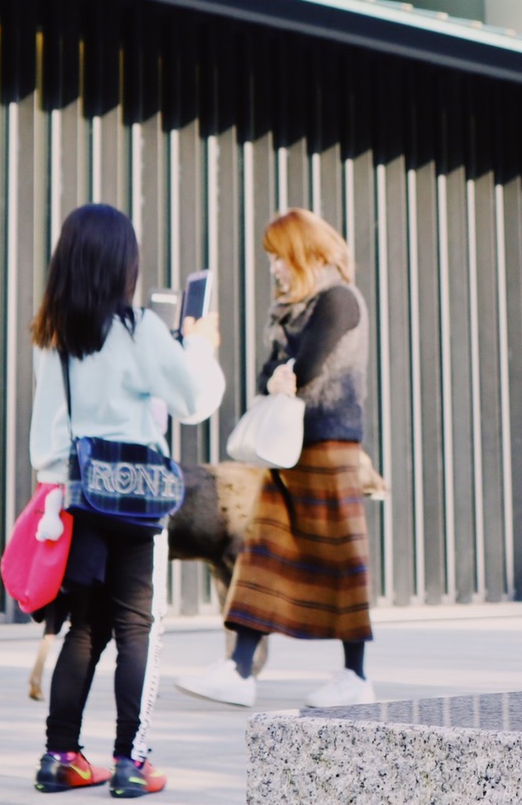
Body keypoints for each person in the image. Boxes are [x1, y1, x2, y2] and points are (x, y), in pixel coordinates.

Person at [30, 204, 223, 796]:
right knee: (138, 626)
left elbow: (47, 432)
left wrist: (57, 494)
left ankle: (60, 756)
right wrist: (198, 346)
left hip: (78, 495)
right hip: (137, 501)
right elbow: (192, 400)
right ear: (124, 265)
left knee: (84, 627)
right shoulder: (138, 329)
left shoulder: (54, 336)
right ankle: (130, 764)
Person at [177, 208, 376, 710]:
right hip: (290, 453)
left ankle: (356, 677)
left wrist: (282, 363)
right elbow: (270, 373)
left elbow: (302, 370)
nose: (275, 269)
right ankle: (238, 670)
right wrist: (280, 357)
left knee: (341, 558)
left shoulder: (338, 300)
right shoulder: (295, 308)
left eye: (278, 257)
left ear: (303, 252)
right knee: (261, 553)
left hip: (329, 447)